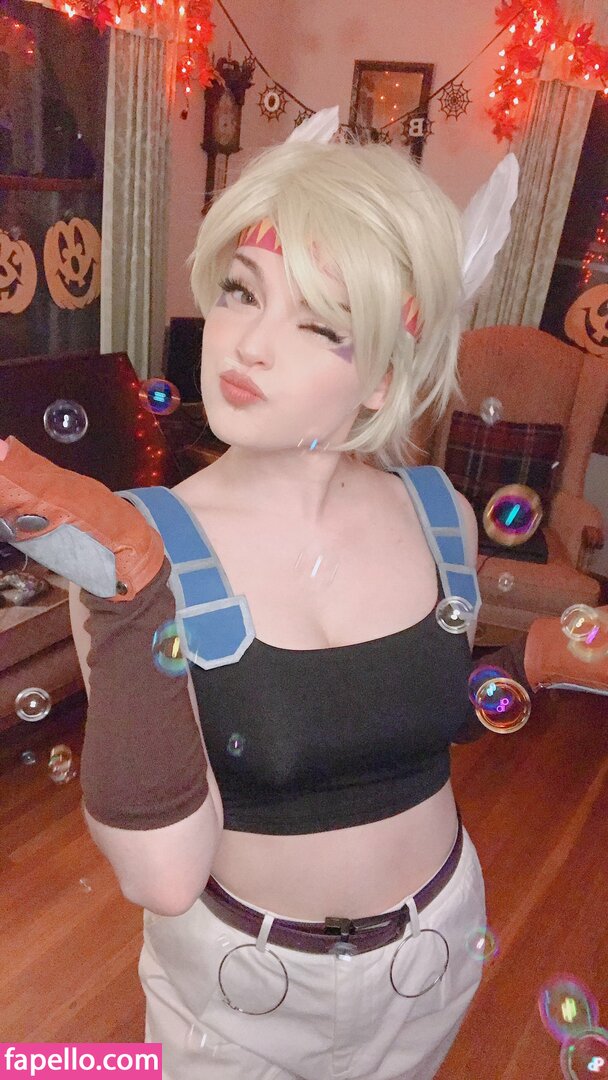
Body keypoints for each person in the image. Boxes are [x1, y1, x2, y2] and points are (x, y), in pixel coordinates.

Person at [1, 133, 599, 1080]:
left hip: (435, 951)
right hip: (239, 993)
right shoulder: (141, 550)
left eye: (321, 325)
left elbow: (409, 713)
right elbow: (163, 875)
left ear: (387, 376)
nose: (249, 342)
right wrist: (129, 596)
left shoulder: (439, 514)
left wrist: (531, 661)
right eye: (242, 290)